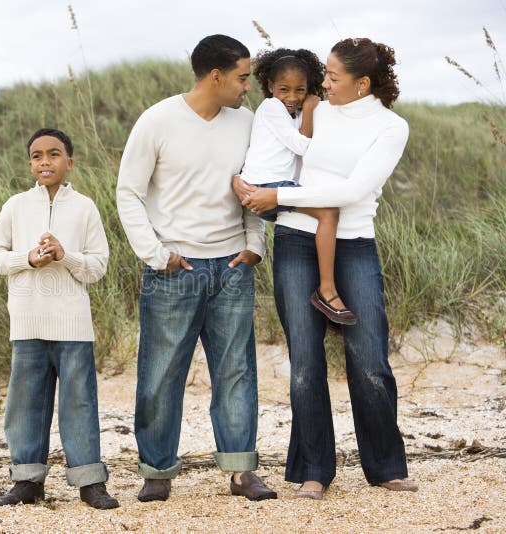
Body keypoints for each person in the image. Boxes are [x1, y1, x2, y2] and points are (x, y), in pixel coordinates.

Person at [237, 38, 418, 499]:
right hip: (297, 239)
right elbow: (274, 151)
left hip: (354, 244)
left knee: (371, 362)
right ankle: (313, 469)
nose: (325, 82)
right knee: (305, 363)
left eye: (334, 77)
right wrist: (251, 184)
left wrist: (277, 197)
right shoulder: (317, 109)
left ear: (362, 83)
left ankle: (385, 466)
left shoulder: (391, 127)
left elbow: (355, 190)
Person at [116, 34, 275, 502]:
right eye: (243, 77)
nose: (248, 86)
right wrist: (156, 253)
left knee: (236, 372)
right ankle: (157, 472)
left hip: (231, 267)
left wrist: (254, 244)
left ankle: (242, 472)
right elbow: (129, 192)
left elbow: (253, 186)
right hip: (173, 269)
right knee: (161, 373)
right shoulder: (158, 120)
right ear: (216, 76)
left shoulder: (244, 122)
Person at [0, 128, 119, 510]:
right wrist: (26, 258)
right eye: (37, 156)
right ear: (30, 164)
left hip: (73, 324)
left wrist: (65, 255)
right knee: (25, 403)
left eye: (54, 154)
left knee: (79, 402)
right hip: (27, 322)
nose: (45, 161)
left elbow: (97, 267)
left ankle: (90, 482)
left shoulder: (85, 207)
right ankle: (27, 481)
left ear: (69, 162)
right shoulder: (15, 206)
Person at [239, 48, 356, 325]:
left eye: (300, 90)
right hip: (265, 186)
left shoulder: (289, 112)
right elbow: (303, 146)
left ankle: (326, 286)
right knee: (328, 214)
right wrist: (311, 109)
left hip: (277, 186)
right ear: (269, 87)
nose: (292, 97)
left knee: (322, 218)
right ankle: (326, 291)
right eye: (284, 89)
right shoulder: (271, 107)